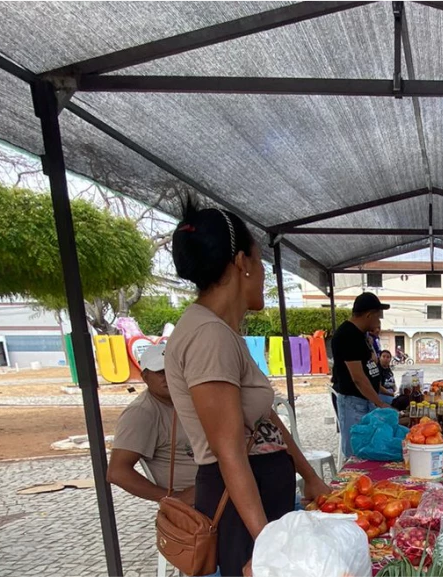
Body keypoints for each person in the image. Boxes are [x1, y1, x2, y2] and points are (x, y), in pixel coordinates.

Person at [164, 199, 331, 577]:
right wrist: (268, 544)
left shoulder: (224, 332)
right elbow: (229, 453)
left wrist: (309, 475)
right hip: (239, 512)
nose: (263, 277)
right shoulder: (208, 335)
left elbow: (266, 419)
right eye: (260, 263)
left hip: (259, 500)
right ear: (241, 263)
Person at [107, 344, 198, 504]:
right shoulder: (141, 413)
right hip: (195, 508)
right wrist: (173, 498)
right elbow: (117, 471)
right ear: (145, 377)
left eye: (174, 370)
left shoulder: (188, 400)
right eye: (161, 372)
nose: (169, 376)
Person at [332, 292, 390, 458]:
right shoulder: (348, 335)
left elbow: (367, 366)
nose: (378, 321)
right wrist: (379, 402)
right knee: (355, 453)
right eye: (377, 316)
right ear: (368, 315)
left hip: (364, 400)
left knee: (366, 448)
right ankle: (352, 483)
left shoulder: (360, 335)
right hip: (353, 402)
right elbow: (358, 377)